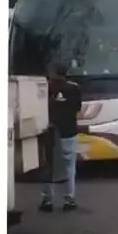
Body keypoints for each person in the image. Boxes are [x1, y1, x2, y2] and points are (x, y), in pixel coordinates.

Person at [42, 61, 81, 212]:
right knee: (69, 167)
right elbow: (77, 108)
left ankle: (48, 200)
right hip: (68, 132)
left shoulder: (45, 87)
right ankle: (69, 199)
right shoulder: (74, 88)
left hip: (49, 132)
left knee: (48, 166)